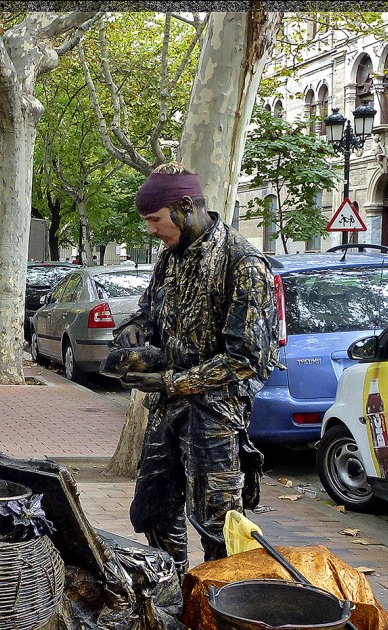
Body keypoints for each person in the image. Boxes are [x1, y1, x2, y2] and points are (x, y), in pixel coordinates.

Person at [110, 162, 278, 571]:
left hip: (216, 415)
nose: (150, 230)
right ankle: (174, 595)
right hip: (168, 408)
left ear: (185, 206)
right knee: (152, 511)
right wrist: (133, 330)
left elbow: (247, 360)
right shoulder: (170, 258)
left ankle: (217, 614)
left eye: (155, 219)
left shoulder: (243, 263)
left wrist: (170, 381)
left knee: (219, 528)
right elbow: (148, 312)